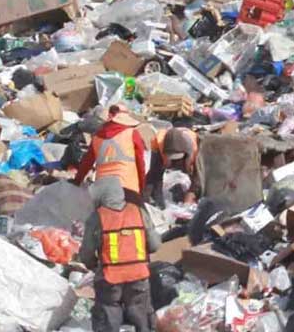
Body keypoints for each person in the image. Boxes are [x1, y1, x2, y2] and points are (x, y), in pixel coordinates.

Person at [79, 177, 160, 332]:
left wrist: (93, 266)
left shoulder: (98, 217)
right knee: (142, 315)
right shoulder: (138, 211)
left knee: (108, 315)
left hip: (111, 279)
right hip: (138, 276)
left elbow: (86, 253)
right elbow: (155, 245)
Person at [73, 105, 147, 196]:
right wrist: (142, 187)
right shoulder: (132, 133)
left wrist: (77, 181)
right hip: (127, 186)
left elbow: (86, 162)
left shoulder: (97, 137)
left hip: (101, 186)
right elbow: (140, 163)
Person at [146, 127, 201, 207]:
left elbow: (198, 178)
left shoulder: (196, 149)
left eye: (178, 159)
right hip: (164, 154)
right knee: (154, 183)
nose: (175, 162)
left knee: (196, 191)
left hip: (189, 159)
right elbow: (154, 176)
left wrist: (189, 200)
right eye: (173, 159)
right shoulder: (159, 144)